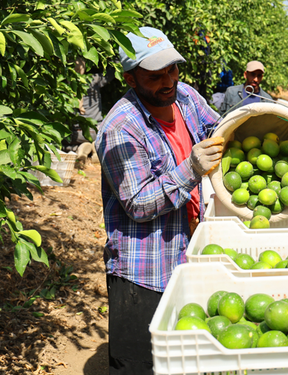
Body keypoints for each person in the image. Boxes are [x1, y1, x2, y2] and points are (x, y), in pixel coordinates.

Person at [95, 27, 224, 374]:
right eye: (155, 75)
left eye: (172, 69)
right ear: (131, 78)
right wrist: (191, 169)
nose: (168, 81)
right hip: (146, 273)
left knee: (186, 357)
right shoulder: (120, 129)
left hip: (190, 256)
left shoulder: (185, 98)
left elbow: (216, 128)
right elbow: (137, 202)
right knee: (141, 363)